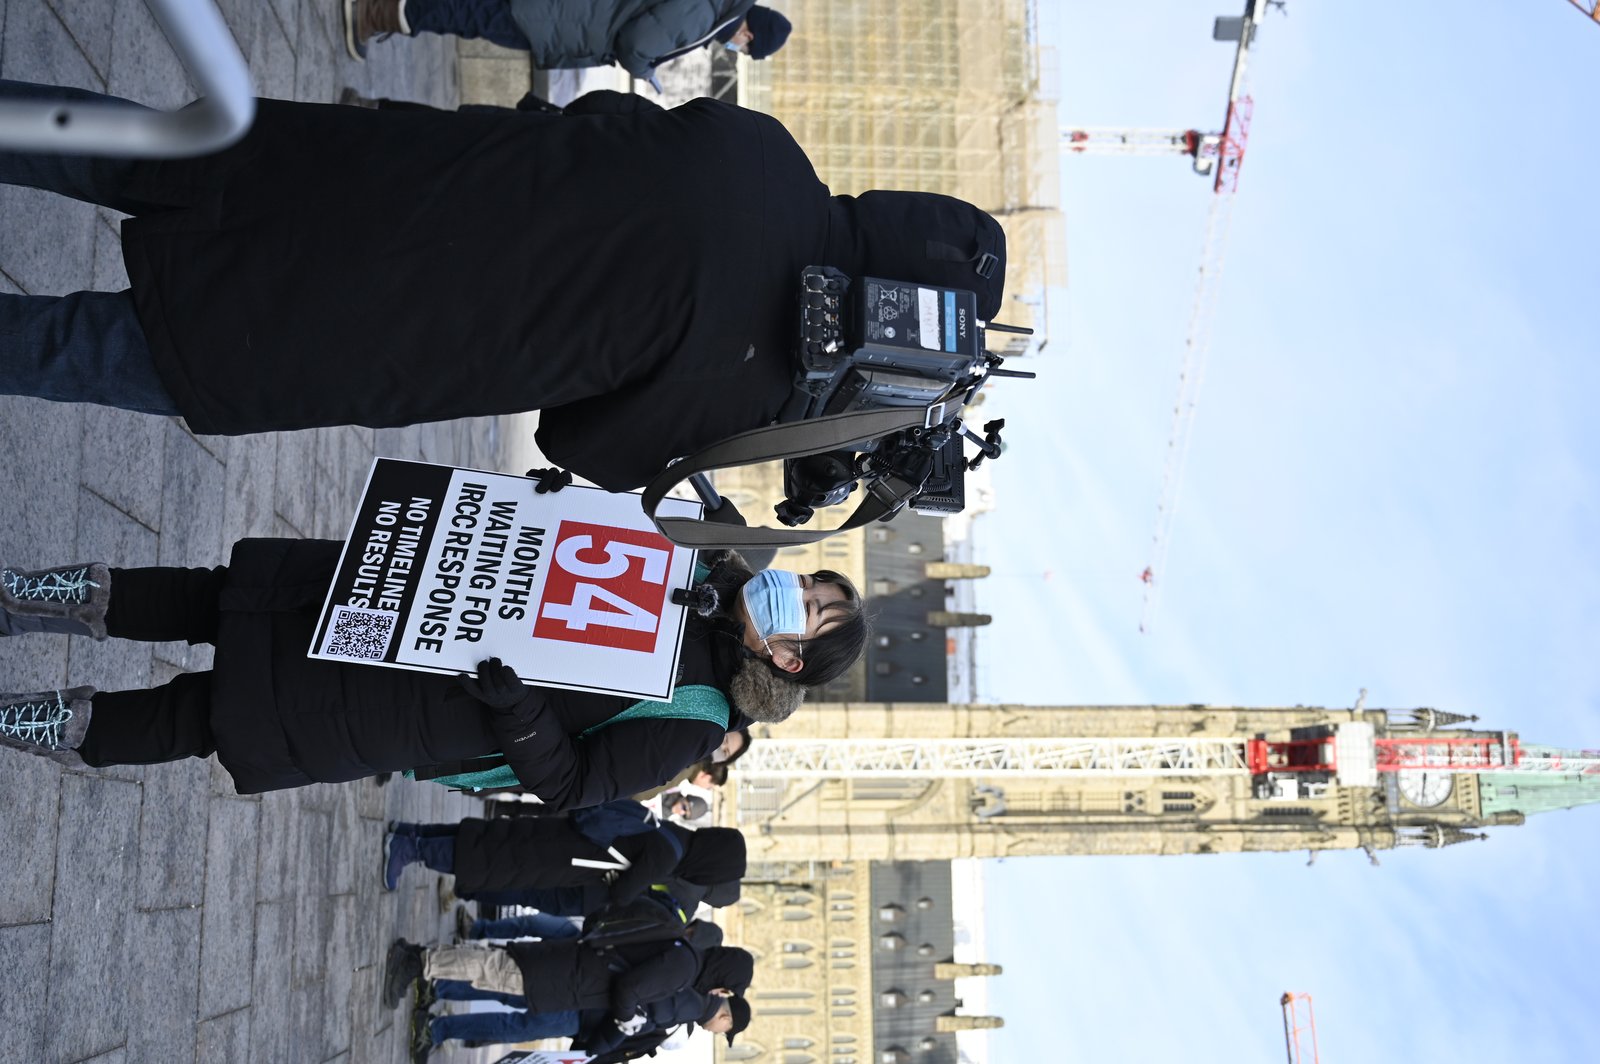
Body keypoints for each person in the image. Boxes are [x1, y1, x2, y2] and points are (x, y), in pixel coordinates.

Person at [0, 79, 1007, 492]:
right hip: (356, 329)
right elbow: (578, 442)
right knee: (72, 348)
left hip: (362, 166)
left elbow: (600, 114)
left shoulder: (762, 147)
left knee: (116, 144)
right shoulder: (744, 383)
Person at [0, 544, 863, 807]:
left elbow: (573, 785)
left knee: (206, 717)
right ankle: (27, 594)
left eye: (812, 610)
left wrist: (517, 709)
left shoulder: (699, 717)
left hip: (419, 700)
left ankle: (26, 721)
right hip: (402, 598)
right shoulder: (695, 573)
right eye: (814, 583)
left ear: (788, 659)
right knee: (217, 600)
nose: (797, 593)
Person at [343, 0, 793, 76]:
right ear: (749, 33)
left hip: (573, 12)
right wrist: (642, 71)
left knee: (478, 10)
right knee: (476, 17)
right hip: (569, 20)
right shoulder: (705, 14)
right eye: (747, 48)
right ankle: (378, 12)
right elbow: (637, 43)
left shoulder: (712, 9)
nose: (739, 50)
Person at [381, 813, 747, 902]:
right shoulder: (668, 859)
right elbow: (621, 896)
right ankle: (410, 849)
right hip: (565, 858)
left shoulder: (677, 833)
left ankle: (413, 832)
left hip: (570, 836)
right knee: (488, 859)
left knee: (496, 837)